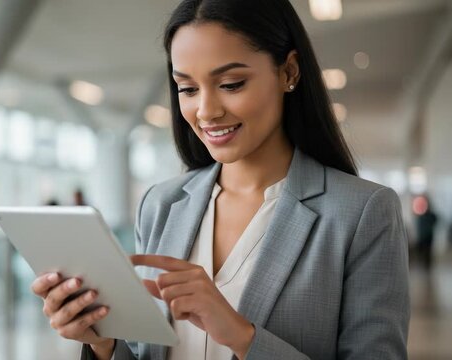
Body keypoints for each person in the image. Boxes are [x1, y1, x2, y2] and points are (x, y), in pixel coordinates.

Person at [31, 0, 410, 359]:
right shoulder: (160, 205)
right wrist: (103, 343)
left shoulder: (361, 213)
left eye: (230, 84)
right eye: (188, 89)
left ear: (289, 72)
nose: (206, 112)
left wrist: (241, 336)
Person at [413, 194, 438, 271]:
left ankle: (427, 266)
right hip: (422, 236)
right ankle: (424, 265)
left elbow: (435, 220)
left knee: (427, 251)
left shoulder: (430, 215)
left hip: (428, 235)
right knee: (422, 251)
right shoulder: (420, 214)